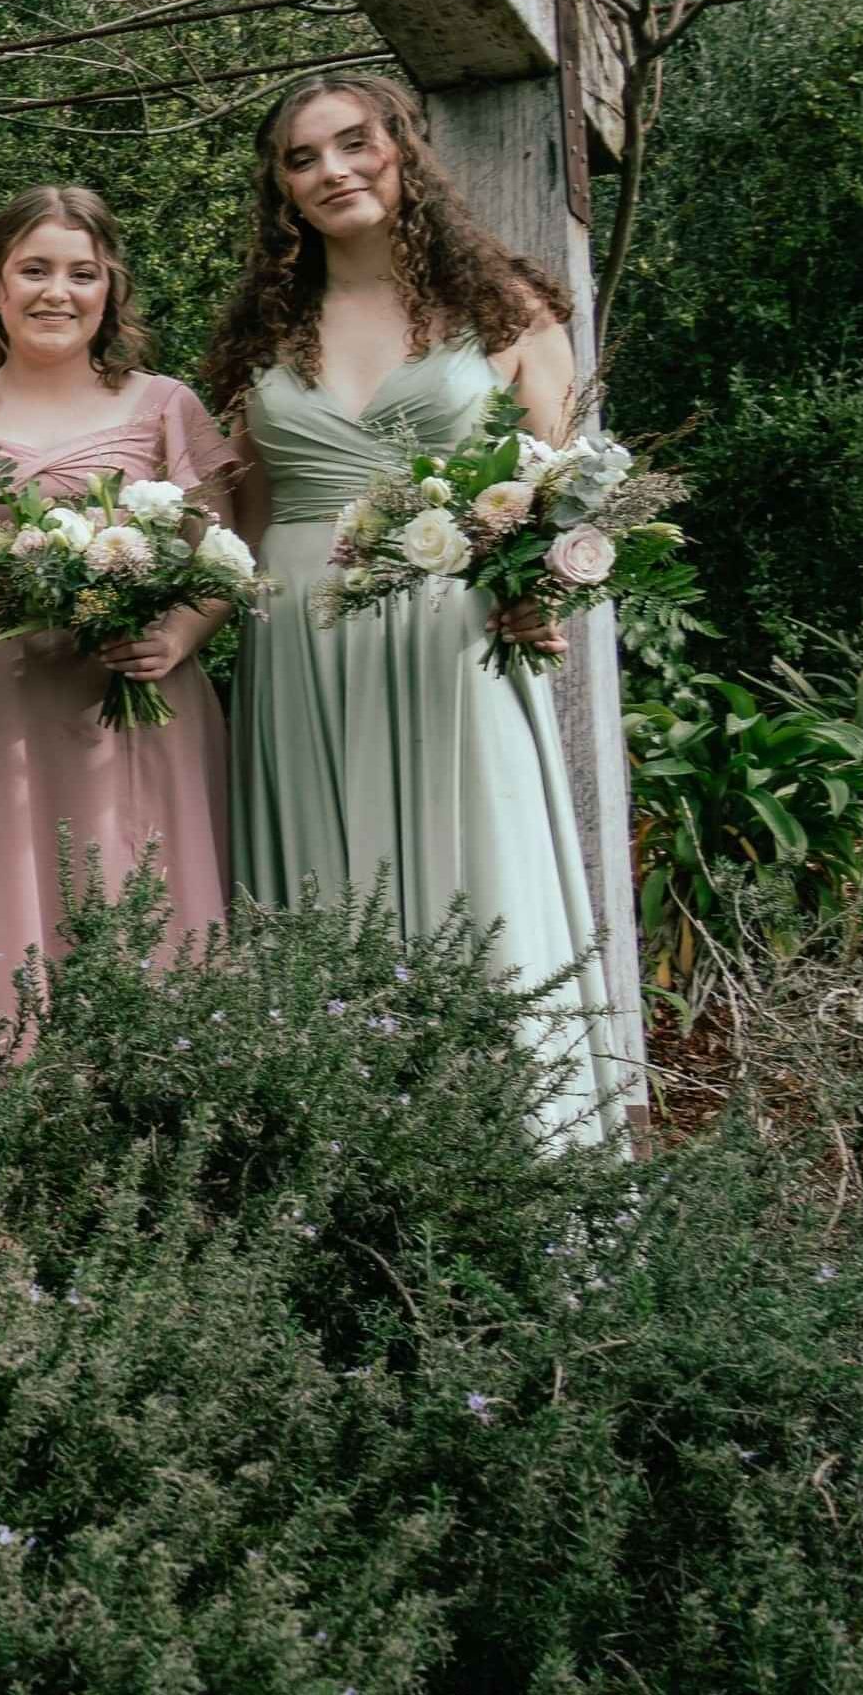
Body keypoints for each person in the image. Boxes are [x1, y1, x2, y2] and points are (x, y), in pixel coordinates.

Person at [202, 71, 638, 1144]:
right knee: (317, 897)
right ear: (280, 191)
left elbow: (568, 499)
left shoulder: (507, 311)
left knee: (470, 886)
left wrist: (541, 596)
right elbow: (240, 529)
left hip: (453, 645)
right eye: (302, 159)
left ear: (404, 149)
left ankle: (514, 1157)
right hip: (298, 650)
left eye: (354, 144)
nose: (333, 172)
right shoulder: (264, 338)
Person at [0, 184, 235, 1005]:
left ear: (110, 291)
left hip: (132, 690)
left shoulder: (166, 406)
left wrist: (175, 636)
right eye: (33, 270)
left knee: (140, 887)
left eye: (81, 273)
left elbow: (224, 558)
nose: (56, 292)